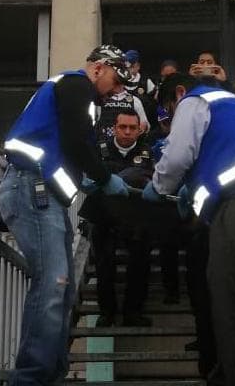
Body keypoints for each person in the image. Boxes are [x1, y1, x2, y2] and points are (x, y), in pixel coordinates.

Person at [0, 45, 132, 386]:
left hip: (43, 193)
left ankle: (49, 374)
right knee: (54, 283)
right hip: (33, 190)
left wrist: (83, 178)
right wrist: (103, 177)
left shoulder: (71, 91)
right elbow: (76, 141)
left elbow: (64, 145)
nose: (116, 90)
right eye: (116, 80)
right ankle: (31, 379)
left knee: (63, 288)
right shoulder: (78, 86)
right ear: (100, 68)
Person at [142, 73, 235, 386]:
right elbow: (224, 157)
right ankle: (227, 372)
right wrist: (191, 192)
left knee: (229, 303)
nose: (171, 116)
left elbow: (179, 155)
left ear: (179, 92)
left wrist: (159, 185)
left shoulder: (195, 100)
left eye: (169, 107)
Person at [81, 108, 155, 327]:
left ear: (139, 130)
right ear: (115, 128)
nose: (127, 132)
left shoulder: (148, 152)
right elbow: (86, 178)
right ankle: (107, 313)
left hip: (135, 216)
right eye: (123, 127)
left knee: (140, 264)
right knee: (104, 264)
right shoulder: (98, 149)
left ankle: (133, 312)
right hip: (103, 214)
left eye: (132, 128)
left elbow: (150, 178)